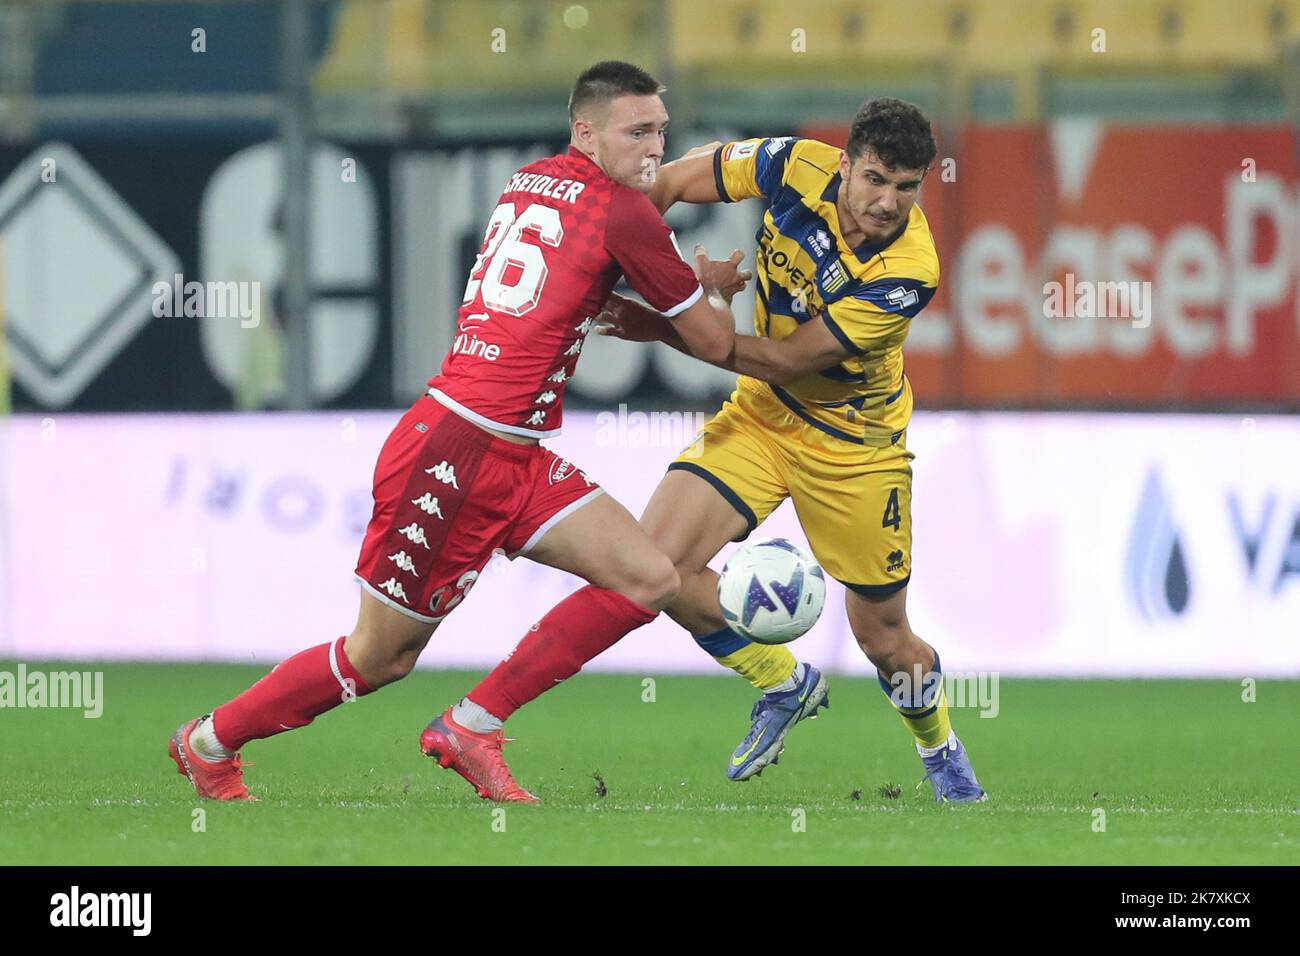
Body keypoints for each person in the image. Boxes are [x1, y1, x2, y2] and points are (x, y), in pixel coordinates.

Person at [167, 60, 743, 804]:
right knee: (380, 657)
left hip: (514, 449)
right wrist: (719, 295)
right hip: (457, 452)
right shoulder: (625, 212)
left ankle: (473, 724)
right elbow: (714, 345)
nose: (653, 151)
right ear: (586, 131)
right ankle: (210, 741)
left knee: (648, 577)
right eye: (637, 133)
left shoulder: (532, 179)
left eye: (661, 133)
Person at [587, 99, 987, 801]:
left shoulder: (908, 271)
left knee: (885, 639)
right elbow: (671, 184)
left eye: (906, 187)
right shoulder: (790, 166)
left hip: (853, 445)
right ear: (843, 165)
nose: (888, 202)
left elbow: (783, 358)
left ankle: (939, 747)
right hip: (764, 420)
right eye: (875, 179)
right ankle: (784, 681)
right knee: (654, 568)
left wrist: (661, 321)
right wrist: (608, 254)